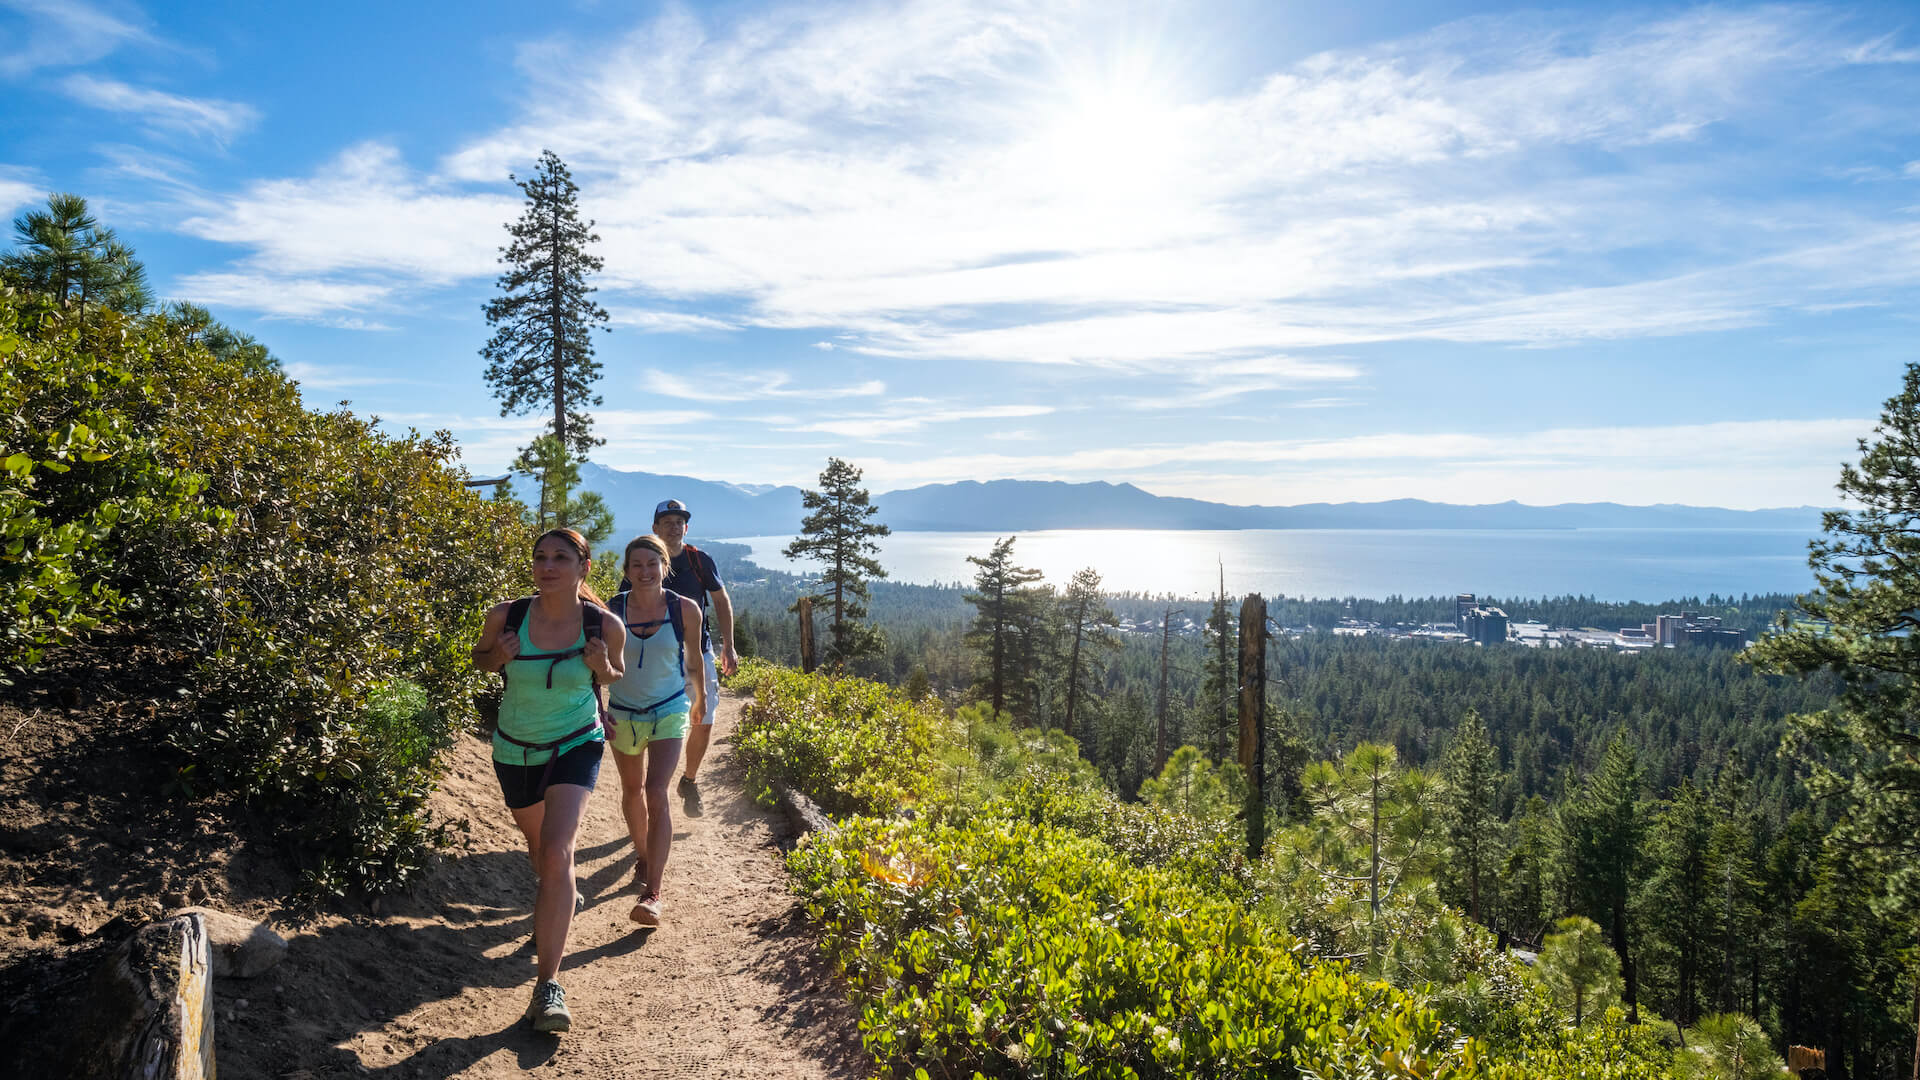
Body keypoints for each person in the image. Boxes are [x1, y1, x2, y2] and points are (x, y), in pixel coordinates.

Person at [470, 528, 627, 1035]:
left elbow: (614, 675)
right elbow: (481, 659)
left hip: (577, 742)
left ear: (583, 568)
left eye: (561, 557)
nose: (547, 566)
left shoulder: (602, 623)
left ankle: (548, 987)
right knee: (540, 852)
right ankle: (556, 897)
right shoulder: (506, 615)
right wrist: (500, 657)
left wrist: (601, 665)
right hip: (514, 749)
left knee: (559, 849)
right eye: (540, 557)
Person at [603, 534, 705, 925]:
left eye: (652, 564)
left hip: (669, 709)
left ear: (665, 566)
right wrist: (597, 705)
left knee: (655, 789)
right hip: (623, 713)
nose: (644, 572)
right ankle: (644, 857)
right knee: (631, 791)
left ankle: (653, 893)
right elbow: (595, 666)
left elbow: (693, 660)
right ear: (626, 571)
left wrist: (699, 700)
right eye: (636, 566)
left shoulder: (686, 609)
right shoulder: (610, 611)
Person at [650, 498, 738, 817]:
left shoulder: (699, 560)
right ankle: (655, 786)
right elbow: (621, 604)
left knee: (703, 721)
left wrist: (728, 645)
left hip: (697, 653)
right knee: (658, 723)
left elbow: (720, 600)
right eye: (667, 521)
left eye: (680, 521)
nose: (674, 526)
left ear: (686, 527)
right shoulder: (645, 561)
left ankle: (689, 780)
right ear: (655, 528)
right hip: (656, 655)